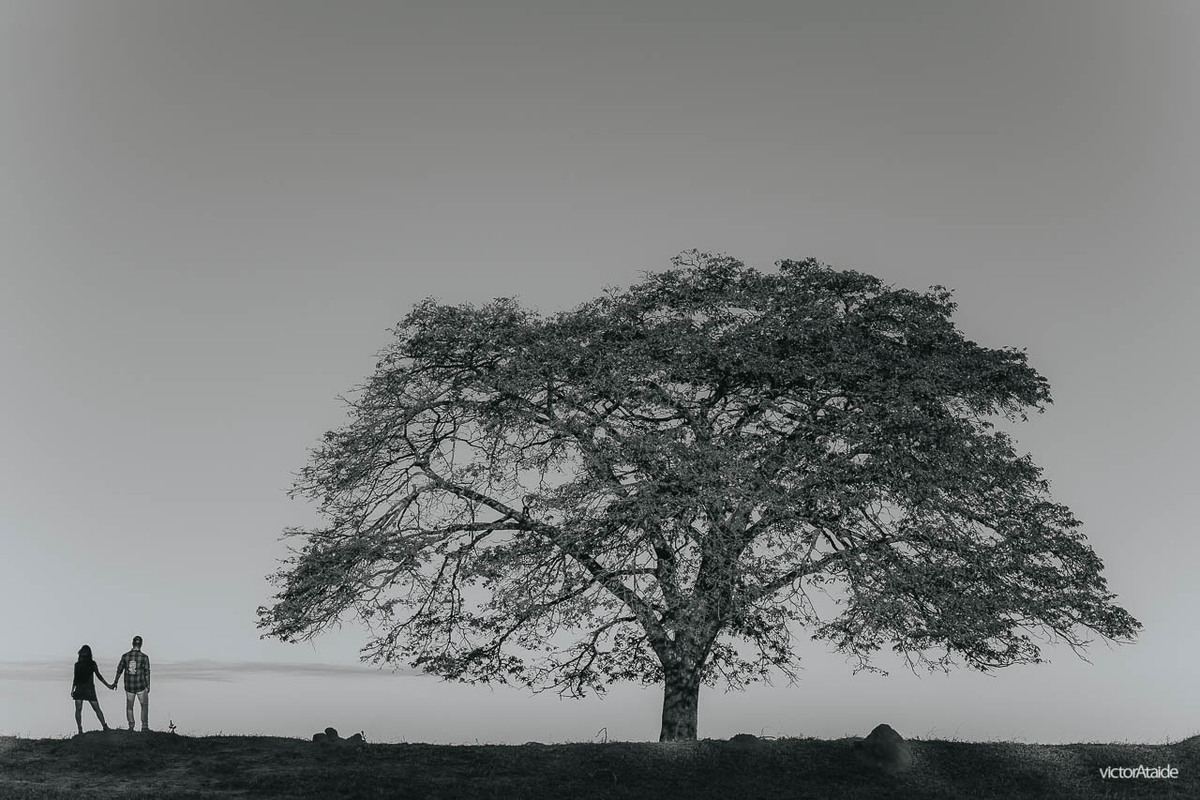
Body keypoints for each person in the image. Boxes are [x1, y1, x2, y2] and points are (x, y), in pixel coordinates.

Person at [71, 645, 114, 735]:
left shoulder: (77, 664)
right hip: (89, 689)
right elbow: (99, 676)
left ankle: (80, 730)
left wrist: (72, 690)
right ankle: (104, 726)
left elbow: (75, 678)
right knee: (97, 709)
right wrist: (108, 685)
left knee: (78, 710)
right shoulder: (92, 663)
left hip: (80, 689)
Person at [114, 635, 151, 732]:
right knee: (144, 706)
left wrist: (115, 682)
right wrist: (148, 685)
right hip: (141, 686)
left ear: (132, 643)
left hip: (129, 686)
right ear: (141, 644)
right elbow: (147, 673)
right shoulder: (144, 657)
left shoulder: (125, 656)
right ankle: (144, 726)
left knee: (130, 707)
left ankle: (131, 726)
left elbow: (119, 670)